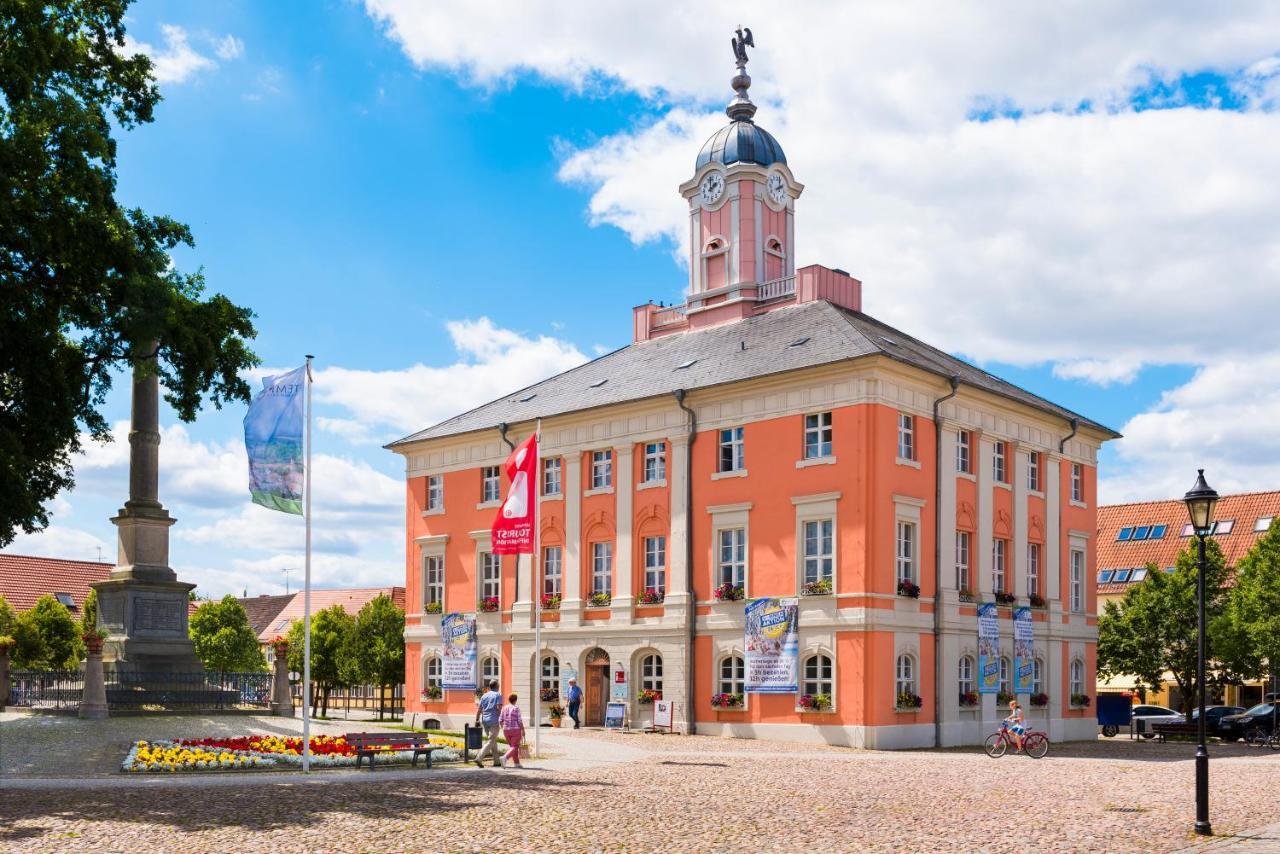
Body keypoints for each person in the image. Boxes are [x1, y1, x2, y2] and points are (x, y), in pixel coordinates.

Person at [474, 679, 503, 767]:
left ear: (490, 687)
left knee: (492, 740)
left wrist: (477, 719)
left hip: (485, 721)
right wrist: (501, 719)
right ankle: (479, 758)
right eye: (498, 685)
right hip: (494, 720)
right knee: (491, 740)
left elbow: (479, 709)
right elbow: (499, 708)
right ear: (497, 686)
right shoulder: (498, 695)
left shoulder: (484, 696)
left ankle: (497, 761)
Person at [499, 693, 526, 768]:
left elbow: (500, 720)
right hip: (515, 729)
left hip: (506, 730)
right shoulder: (516, 708)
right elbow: (519, 721)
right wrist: (523, 730)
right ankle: (505, 758)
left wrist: (504, 728)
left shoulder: (504, 708)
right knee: (515, 746)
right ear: (516, 700)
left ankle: (516, 763)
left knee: (512, 747)